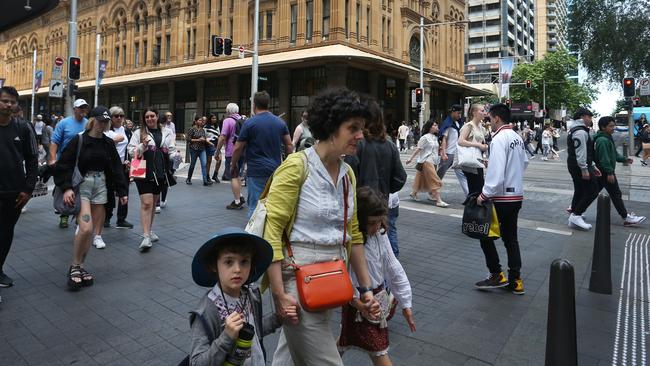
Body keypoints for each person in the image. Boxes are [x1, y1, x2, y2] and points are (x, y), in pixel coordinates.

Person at [263, 88, 379, 365]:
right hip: (297, 285)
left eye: (361, 129)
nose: (360, 136)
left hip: (330, 281)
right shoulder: (296, 167)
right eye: (353, 128)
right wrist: (280, 295)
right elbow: (272, 233)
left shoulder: (348, 173)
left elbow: (354, 235)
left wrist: (366, 288)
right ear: (330, 127)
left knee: (286, 359)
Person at [337, 187, 416, 364]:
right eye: (372, 222)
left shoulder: (380, 235)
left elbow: (393, 267)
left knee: (345, 341)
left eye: (380, 221)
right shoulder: (349, 241)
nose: (377, 227)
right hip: (359, 303)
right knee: (379, 351)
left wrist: (406, 303)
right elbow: (343, 277)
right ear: (359, 220)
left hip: (376, 300)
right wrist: (357, 302)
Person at [189, 228, 288, 365]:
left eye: (244, 261)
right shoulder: (207, 311)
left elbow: (255, 330)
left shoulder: (250, 295)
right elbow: (196, 362)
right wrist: (227, 337)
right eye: (229, 262)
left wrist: (278, 318)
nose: (237, 269)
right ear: (213, 265)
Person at [54, 106, 128, 290]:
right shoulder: (79, 139)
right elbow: (64, 164)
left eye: (106, 121)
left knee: (93, 231)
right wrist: (66, 188)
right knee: (85, 228)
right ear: (93, 120)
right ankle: (75, 265)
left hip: (101, 187)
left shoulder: (108, 143)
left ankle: (81, 266)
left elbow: (116, 168)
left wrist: (122, 191)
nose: (104, 124)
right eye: (101, 120)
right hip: (83, 187)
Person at [475, 103, 528, 295]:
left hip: (501, 198)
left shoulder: (498, 139)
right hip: (516, 196)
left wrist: (484, 195)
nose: (489, 122)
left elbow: (496, 175)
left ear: (497, 118)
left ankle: (496, 273)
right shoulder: (517, 137)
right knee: (510, 239)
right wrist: (512, 175)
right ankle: (516, 280)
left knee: (485, 236)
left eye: (489, 119)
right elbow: (525, 162)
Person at [344, 98, 406, 257]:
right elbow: (400, 177)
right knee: (382, 241)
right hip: (383, 203)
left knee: (363, 249)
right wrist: (384, 189)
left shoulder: (356, 145)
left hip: (360, 207)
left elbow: (347, 177)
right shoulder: (389, 144)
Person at [231, 91, 293, 218]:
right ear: (268, 103)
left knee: (254, 206)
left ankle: (254, 235)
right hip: (275, 170)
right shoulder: (280, 122)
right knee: (272, 204)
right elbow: (289, 144)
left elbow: (238, 147)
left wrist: (233, 164)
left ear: (254, 104)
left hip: (256, 171)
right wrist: (288, 162)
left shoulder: (249, 123)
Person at [0, 86, 38, 287]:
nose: (8, 105)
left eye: (12, 102)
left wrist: (28, 189)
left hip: (14, 193)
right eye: (5, 100)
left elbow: (33, 160)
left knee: (6, 233)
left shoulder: (23, 128)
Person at [128, 107, 175, 251]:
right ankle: (146, 236)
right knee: (147, 203)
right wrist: (143, 145)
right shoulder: (139, 133)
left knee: (154, 203)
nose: (149, 119)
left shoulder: (166, 132)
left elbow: (171, 150)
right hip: (143, 171)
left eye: (152, 116)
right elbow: (131, 151)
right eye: (147, 117)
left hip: (160, 172)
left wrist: (175, 155)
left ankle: (149, 230)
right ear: (144, 119)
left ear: (157, 117)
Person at [593, 117, 646, 226]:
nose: (614, 128)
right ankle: (626, 217)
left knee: (591, 193)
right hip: (605, 172)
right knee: (616, 194)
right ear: (603, 127)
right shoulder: (602, 140)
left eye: (614, 125)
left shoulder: (607, 138)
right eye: (611, 126)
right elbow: (604, 159)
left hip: (602, 172)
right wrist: (610, 173)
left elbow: (614, 154)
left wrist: (624, 159)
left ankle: (575, 211)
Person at [50, 99, 89, 228]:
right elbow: (55, 141)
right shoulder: (64, 123)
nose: (83, 110)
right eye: (80, 107)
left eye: (85, 107)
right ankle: (64, 215)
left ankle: (79, 215)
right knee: (67, 189)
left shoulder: (88, 123)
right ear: (74, 109)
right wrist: (53, 158)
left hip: (82, 164)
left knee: (81, 190)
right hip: (66, 164)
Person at [566, 107, 602, 230]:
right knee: (592, 190)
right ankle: (576, 215)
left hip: (575, 164)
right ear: (583, 117)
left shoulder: (575, 129)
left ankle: (575, 215)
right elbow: (581, 152)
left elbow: (585, 152)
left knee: (580, 190)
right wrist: (584, 169)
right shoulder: (580, 132)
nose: (590, 119)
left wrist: (592, 165)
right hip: (578, 165)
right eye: (589, 117)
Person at [101, 106, 133, 235]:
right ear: (111, 117)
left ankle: (121, 219)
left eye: (121, 115)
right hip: (109, 166)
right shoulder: (106, 130)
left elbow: (129, 147)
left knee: (124, 192)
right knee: (108, 192)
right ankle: (106, 217)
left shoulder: (127, 131)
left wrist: (128, 159)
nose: (119, 118)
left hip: (123, 166)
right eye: (116, 116)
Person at [406, 120, 449, 206]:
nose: (437, 127)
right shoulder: (424, 137)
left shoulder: (435, 137)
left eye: (437, 125)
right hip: (426, 160)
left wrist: (442, 153)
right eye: (435, 125)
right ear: (430, 127)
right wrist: (410, 158)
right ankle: (439, 201)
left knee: (420, 179)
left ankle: (414, 193)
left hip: (434, 161)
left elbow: (436, 149)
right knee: (434, 180)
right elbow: (419, 148)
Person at [216, 103, 246, 209]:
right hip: (243, 151)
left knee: (233, 175)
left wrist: (217, 151)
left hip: (231, 151)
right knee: (238, 175)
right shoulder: (243, 119)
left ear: (228, 111)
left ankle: (237, 201)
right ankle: (240, 196)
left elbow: (223, 137)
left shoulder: (227, 121)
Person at [457, 104, 489, 196]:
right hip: (470, 160)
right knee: (476, 188)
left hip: (478, 160)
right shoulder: (469, 126)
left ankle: (472, 208)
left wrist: (484, 158)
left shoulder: (481, 127)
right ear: (474, 112)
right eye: (482, 111)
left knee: (477, 188)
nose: (484, 113)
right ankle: (473, 208)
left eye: (484, 111)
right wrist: (478, 145)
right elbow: (460, 141)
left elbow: (481, 144)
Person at [437, 104, 469, 196]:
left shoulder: (459, 123)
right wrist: (443, 153)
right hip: (449, 153)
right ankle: (431, 190)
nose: (460, 115)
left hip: (458, 153)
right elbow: (444, 139)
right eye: (458, 113)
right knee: (439, 174)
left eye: (460, 113)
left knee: (461, 174)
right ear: (453, 112)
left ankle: (468, 195)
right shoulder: (448, 123)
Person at [186, 116, 212, 186]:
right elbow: (188, 139)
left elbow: (204, 138)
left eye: (201, 120)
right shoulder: (192, 129)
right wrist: (198, 140)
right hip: (193, 149)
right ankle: (188, 178)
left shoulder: (202, 130)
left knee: (204, 164)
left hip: (202, 149)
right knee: (192, 165)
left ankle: (205, 180)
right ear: (195, 121)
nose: (201, 122)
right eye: (200, 120)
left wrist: (208, 142)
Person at [205, 113, 220, 183]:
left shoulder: (217, 126)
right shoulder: (206, 127)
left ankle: (215, 175)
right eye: (212, 118)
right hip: (209, 145)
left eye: (215, 118)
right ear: (210, 119)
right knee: (209, 162)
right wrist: (208, 141)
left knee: (219, 159)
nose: (214, 119)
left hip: (216, 145)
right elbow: (204, 137)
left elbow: (219, 135)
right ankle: (207, 176)